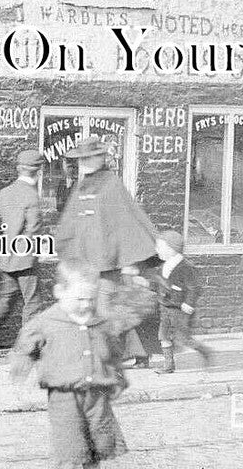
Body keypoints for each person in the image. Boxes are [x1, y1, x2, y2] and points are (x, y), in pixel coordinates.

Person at [10, 261, 154, 469]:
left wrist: (118, 378)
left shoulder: (101, 321)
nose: (86, 305)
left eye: (91, 299)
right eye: (79, 299)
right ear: (59, 292)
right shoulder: (46, 322)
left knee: (97, 443)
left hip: (97, 395)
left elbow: (112, 352)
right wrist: (20, 369)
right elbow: (25, 347)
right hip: (64, 396)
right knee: (71, 446)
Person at [54, 136, 158, 369]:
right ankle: (133, 353)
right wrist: (67, 250)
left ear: (101, 158)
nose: (84, 162)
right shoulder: (83, 185)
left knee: (105, 308)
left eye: (89, 157)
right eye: (81, 158)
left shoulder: (111, 184)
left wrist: (129, 262)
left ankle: (119, 355)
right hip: (87, 262)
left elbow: (126, 222)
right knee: (99, 308)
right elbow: (74, 222)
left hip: (108, 263)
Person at [0, 149, 45, 357]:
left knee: (5, 301)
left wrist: (7, 236)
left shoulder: (7, 191)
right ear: (37, 171)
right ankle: (29, 349)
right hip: (26, 260)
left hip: (8, 257)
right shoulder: (32, 196)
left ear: (19, 169)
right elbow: (34, 229)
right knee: (32, 303)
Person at [148, 231, 214, 373]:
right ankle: (169, 366)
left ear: (172, 249)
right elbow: (158, 283)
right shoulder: (163, 266)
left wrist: (189, 303)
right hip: (165, 307)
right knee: (163, 335)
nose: (157, 250)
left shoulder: (186, 267)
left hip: (180, 310)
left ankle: (205, 351)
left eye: (160, 247)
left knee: (183, 338)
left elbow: (194, 287)